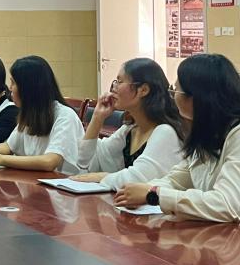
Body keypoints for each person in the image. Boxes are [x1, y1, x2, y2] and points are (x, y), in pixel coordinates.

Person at [113, 54, 240, 243]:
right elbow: (176, 180)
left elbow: (226, 205)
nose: (173, 96)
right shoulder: (207, 133)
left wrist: (154, 195)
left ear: (197, 97)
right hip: (229, 240)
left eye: (177, 90)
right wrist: (144, 191)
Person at [72, 58, 183, 189]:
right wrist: (97, 118)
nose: (113, 88)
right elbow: (85, 163)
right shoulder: (129, 130)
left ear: (143, 90)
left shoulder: (166, 132)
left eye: (119, 82)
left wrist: (103, 177)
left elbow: (138, 179)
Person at [0, 56, 81, 173]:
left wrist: (2, 159)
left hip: (62, 182)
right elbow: (8, 147)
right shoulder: (29, 113)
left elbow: (49, 161)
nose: (10, 88)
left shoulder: (65, 116)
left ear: (28, 88)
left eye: (13, 83)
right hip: (37, 180)